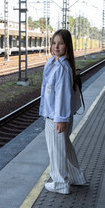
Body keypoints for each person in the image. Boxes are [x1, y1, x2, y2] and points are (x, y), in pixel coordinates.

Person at [39, 29, 86, 195]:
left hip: (57, 117)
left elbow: (63, 96)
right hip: (57, 115)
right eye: (54, 43)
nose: (56, 46)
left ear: (67, 46)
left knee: (56, 149)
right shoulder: (53, 62)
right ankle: (76, 177)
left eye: (60, 43)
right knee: (64, 146)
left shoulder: (62, 68)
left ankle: (60, 183)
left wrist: (61, 119)